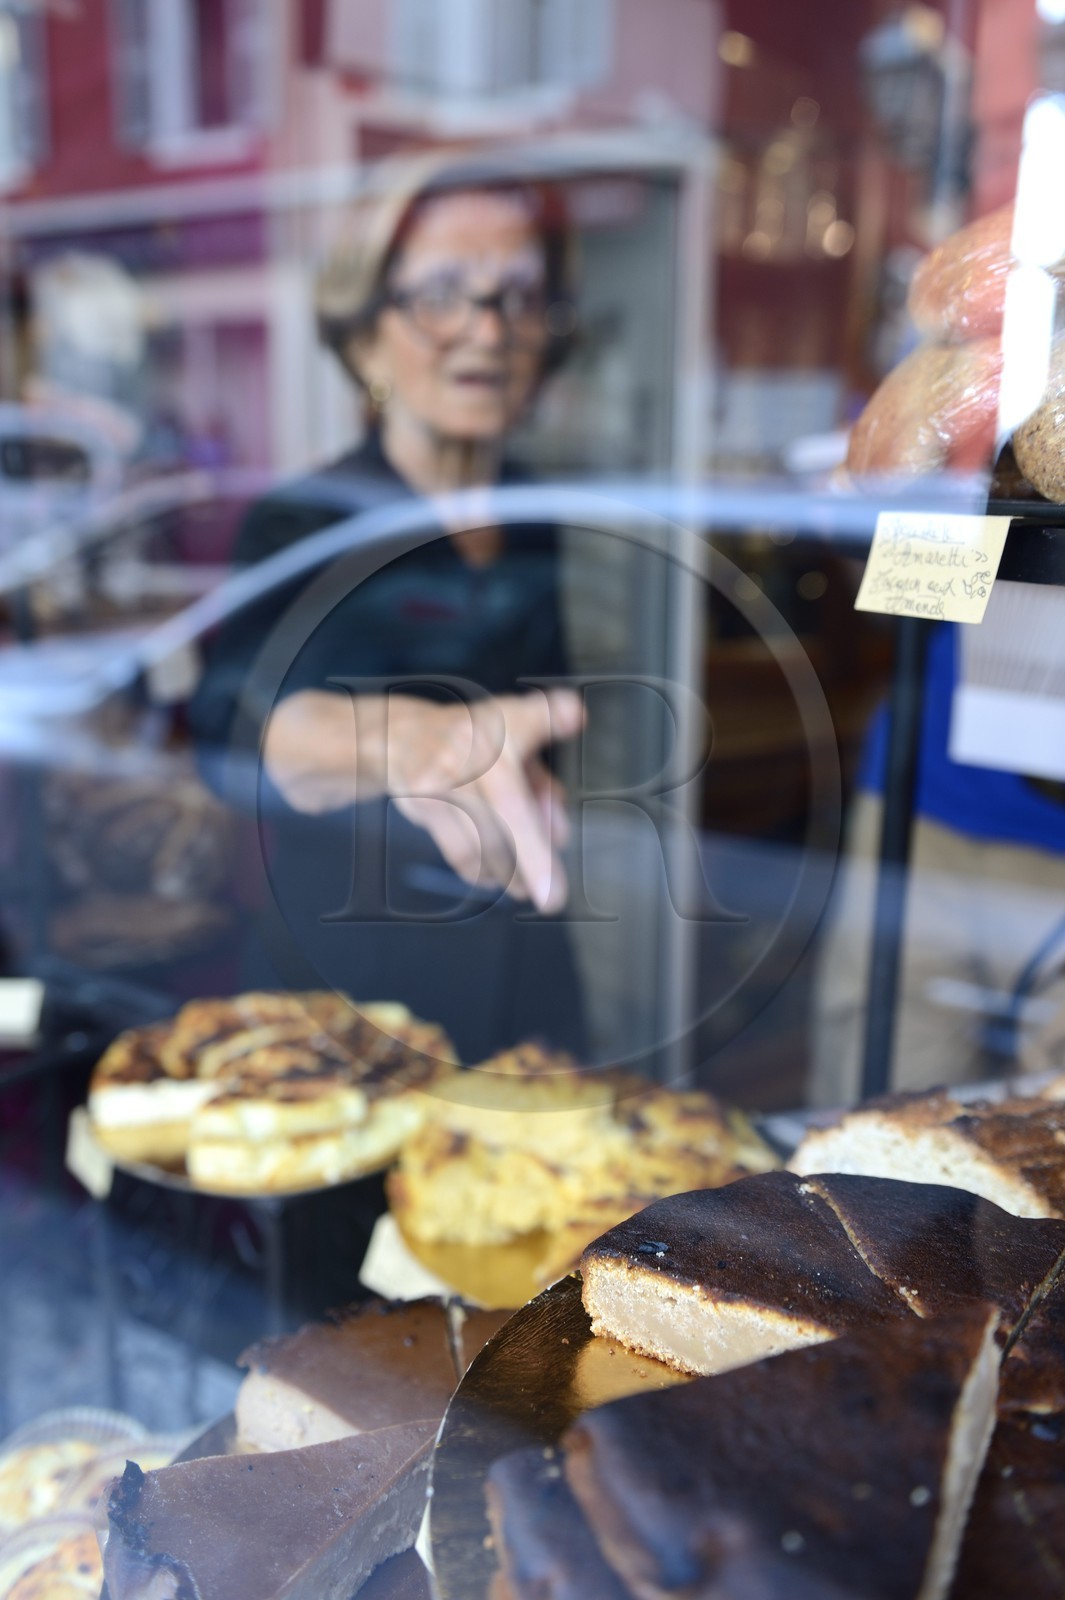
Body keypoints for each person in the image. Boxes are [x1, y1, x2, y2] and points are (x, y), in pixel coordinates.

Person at [188, 155, 590, 1064]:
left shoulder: (535, 511)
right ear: (366, 336)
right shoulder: (304, 517)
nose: (488, 330)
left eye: (518, 296)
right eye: (442, 295)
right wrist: (406, 741)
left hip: (527, 957)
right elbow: (229, 723)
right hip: (351, 981)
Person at [811, 201, 1065, 1106]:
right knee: (886, 1150)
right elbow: (886, 577)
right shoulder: (999, 338)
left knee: (1042, 1196)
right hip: (930, 808)